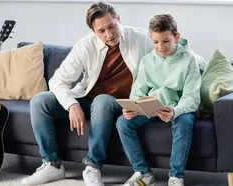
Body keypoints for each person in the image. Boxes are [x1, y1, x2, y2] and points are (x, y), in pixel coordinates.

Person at [21, 1, 152, 186]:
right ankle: (52, 165)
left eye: (112, 26)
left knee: (102, 100)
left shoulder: (141, 37)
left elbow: (174, 48)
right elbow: (58, 80)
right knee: (39, 101)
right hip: (88, 99)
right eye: (101, 31)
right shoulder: (85, 46)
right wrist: (72, 105)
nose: (109, 34)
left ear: (118, 19)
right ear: (93, 31)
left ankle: (93, 167)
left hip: (120, 103)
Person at [116, 13, 202, 186]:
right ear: (151, 39)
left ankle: (176, 177)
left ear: (176, 37)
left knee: (184, 123)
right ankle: (144, 173)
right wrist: (133, 107)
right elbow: (138, 91)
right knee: (122, 123)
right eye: (155, 42)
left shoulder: (189, 60)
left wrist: (175, 111)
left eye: (166, 41)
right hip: (153, 107)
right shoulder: (147, 61)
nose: (160, 47)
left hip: (179, 109)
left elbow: (191, 98)